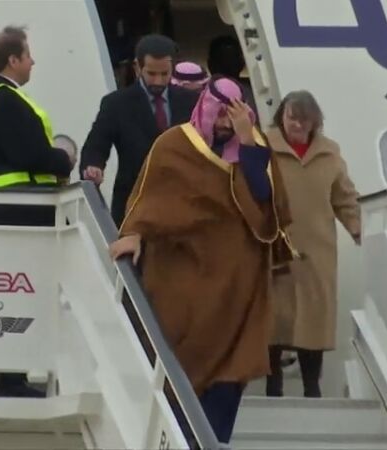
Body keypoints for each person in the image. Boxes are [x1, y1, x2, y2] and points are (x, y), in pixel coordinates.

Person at [108, 77, 294, 443]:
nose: (225, 122)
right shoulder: (174, 145)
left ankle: (213, 441)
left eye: (232, 114)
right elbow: (149, 198)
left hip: (241, 284)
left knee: (234, 365)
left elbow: (268, 204)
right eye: (219, 113)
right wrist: (134, 232)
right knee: (178, 360)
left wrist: (247, 144)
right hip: (183, 277)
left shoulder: (255, 146)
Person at [0, 25, 75, 396]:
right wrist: (64, 159)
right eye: (28, 55)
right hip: (13, 212)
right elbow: (29, 154)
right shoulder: (5, 100)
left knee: (18, 295)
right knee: (18, 295)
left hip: (6, 212)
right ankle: (11, 380)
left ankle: (15, 377)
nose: (33, 61)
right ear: (13, 60)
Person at [264, 90, 361, 398]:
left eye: (304, 121)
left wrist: (357, 227)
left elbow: (345, 197)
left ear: (315, 122)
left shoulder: (329, 155)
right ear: (282, 116)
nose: (297, 125)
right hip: (273, 245)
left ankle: (312, 386)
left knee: (314, 320)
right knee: (272, 318)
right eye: (292, 118)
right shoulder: (263, 147)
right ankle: (273, 385)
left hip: (318, 250)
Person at [79, 34, 198, 225]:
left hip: (182, 204)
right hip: (133, 205)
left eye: (164, 74)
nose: (158, 81)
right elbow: (96, 144)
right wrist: (93, 166)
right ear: (137, 67)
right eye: (151, 74)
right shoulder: (116, 104)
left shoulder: (192, 102)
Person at [207, 35, 256, 113]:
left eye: (231, 59)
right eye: (222, 59)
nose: (227, 64)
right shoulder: (199, 93)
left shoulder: (257, 91)